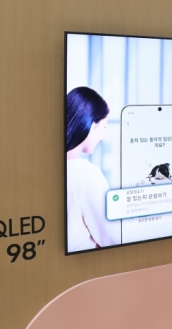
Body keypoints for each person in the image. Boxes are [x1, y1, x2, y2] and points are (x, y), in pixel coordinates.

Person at [66, 86, 121, 252]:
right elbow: (114, 239)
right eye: (104, 127)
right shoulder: (84, 173)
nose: (103, 137)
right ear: (90, 124)